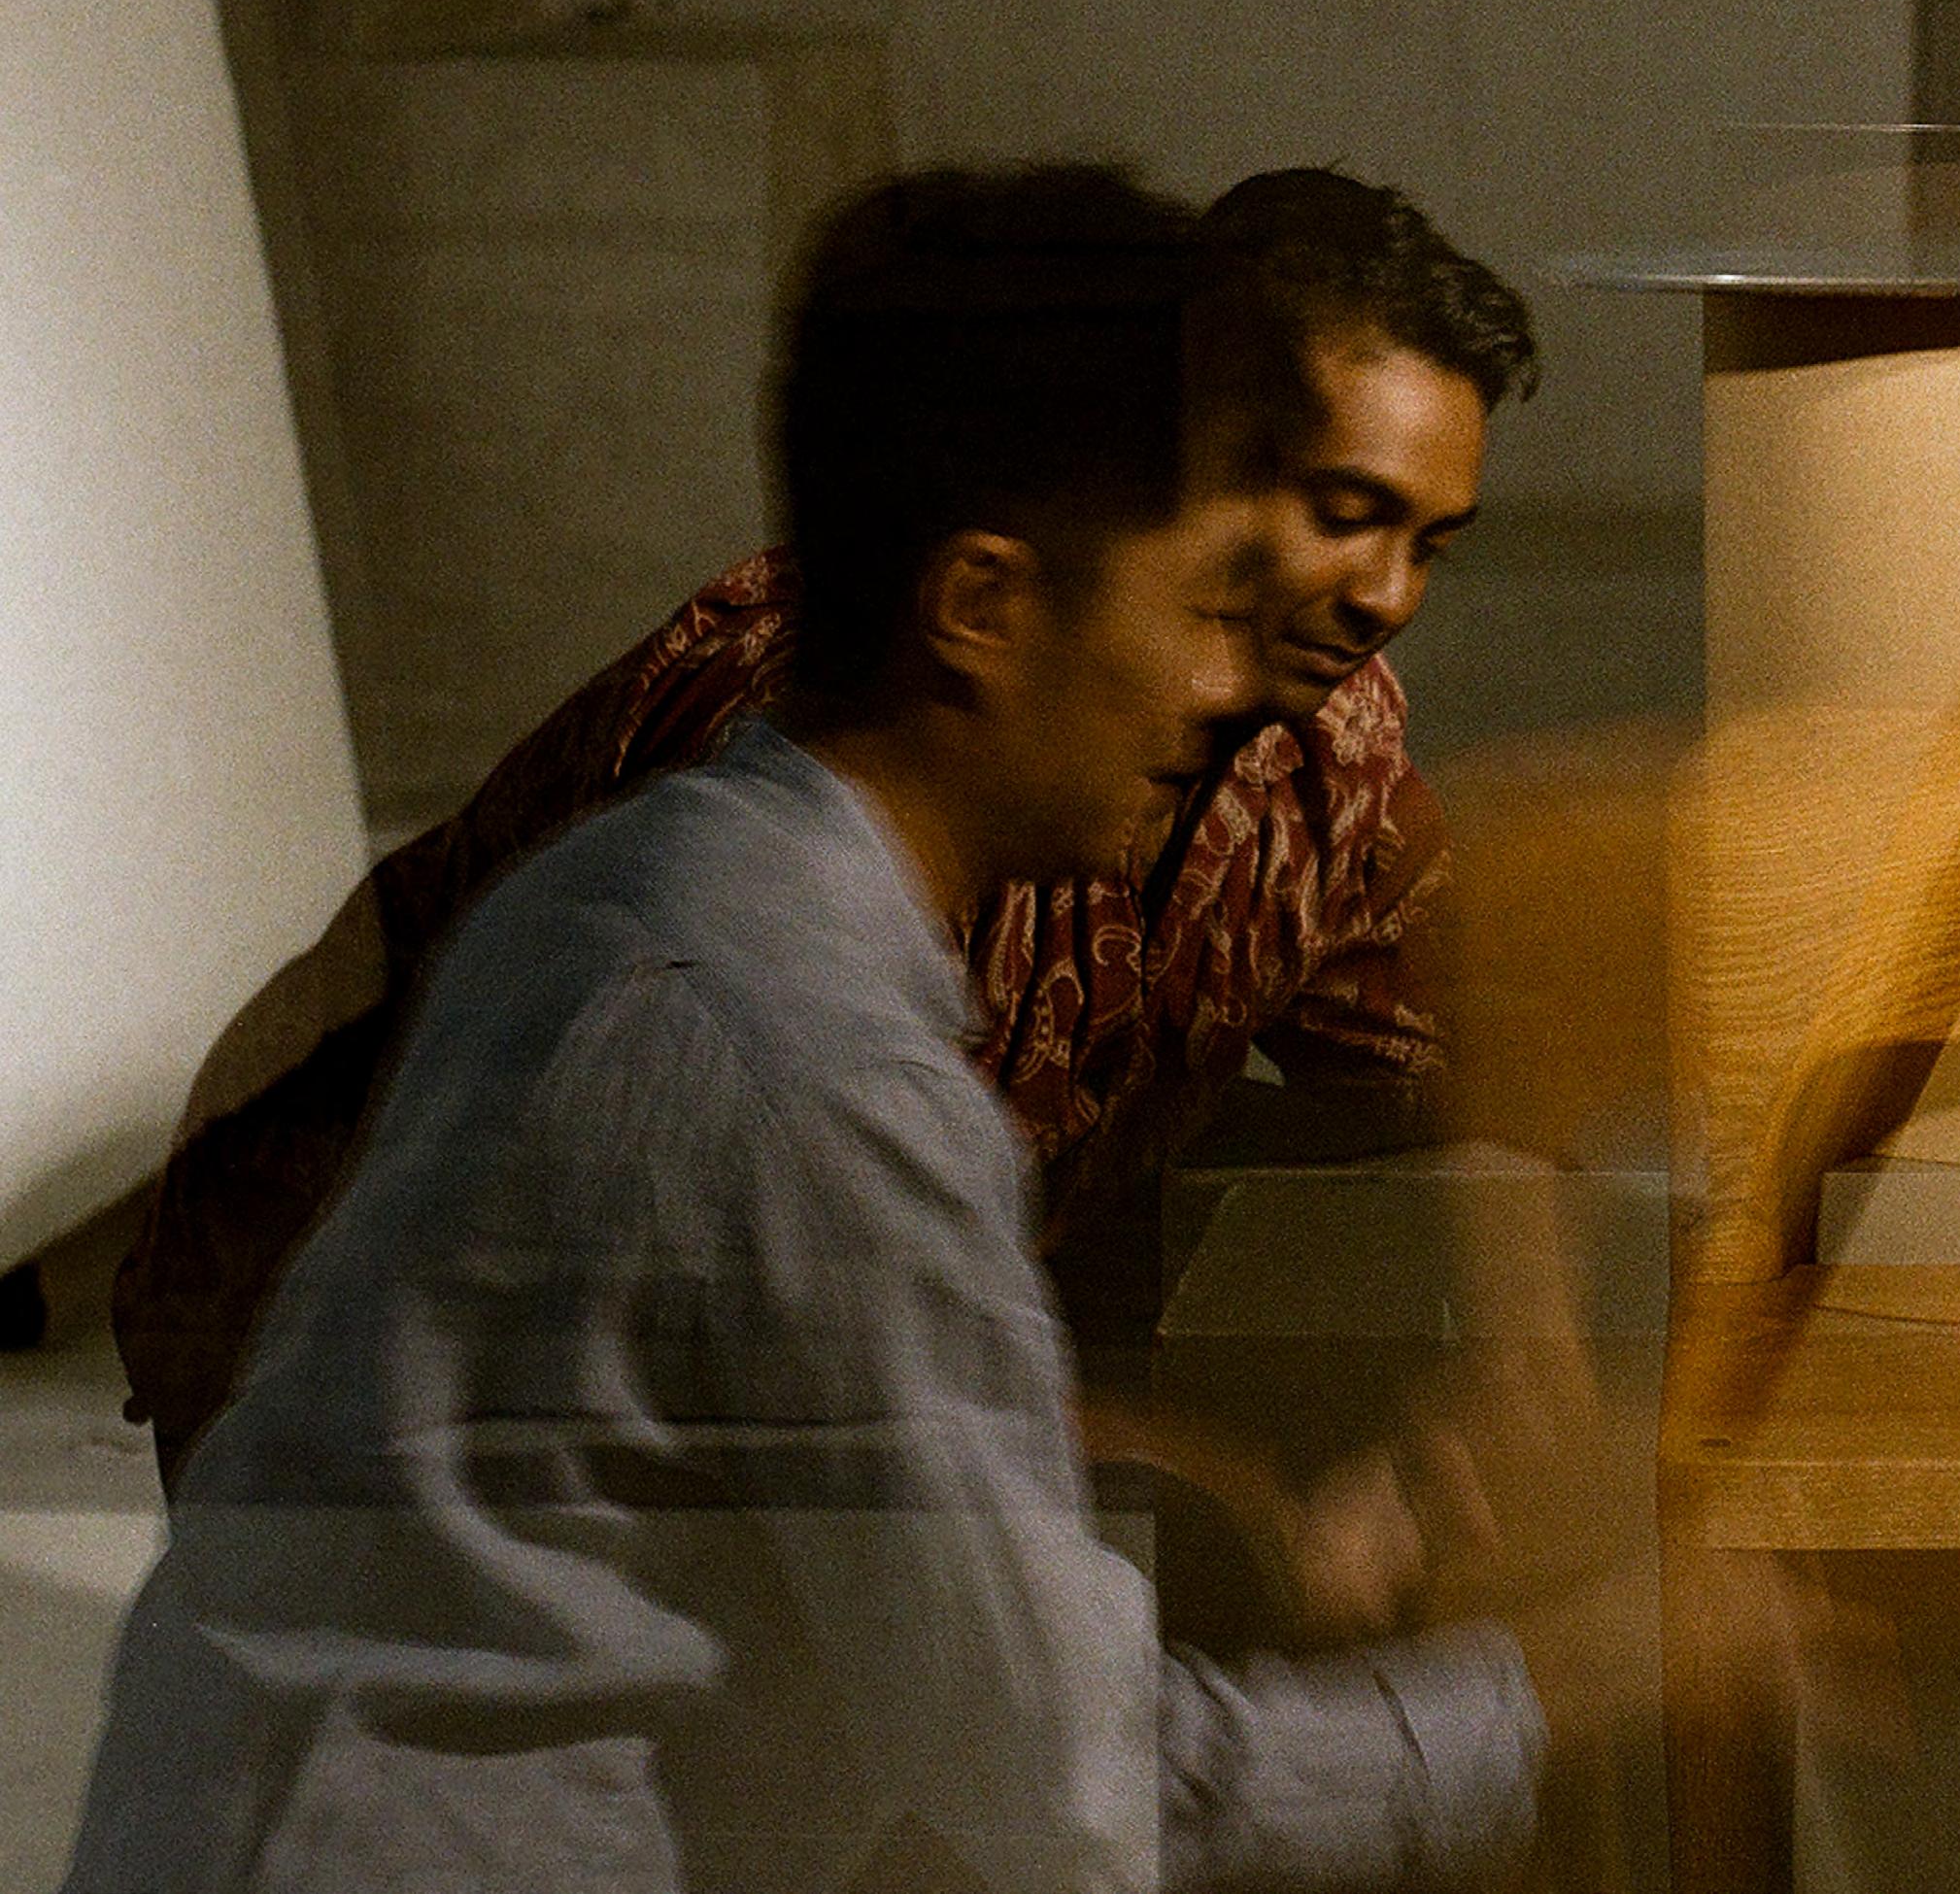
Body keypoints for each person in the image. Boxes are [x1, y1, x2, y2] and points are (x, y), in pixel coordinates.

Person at [63, 164, 1548, 1894]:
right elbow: (1048, 1748)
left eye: (1430, 542)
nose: (1378, 592)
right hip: (329, 1315)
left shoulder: (1312, 751)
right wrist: (1541, 1682)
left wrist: (1524, 1376)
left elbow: (1451, 1057)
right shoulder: (777, 850)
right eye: (1333, 511)